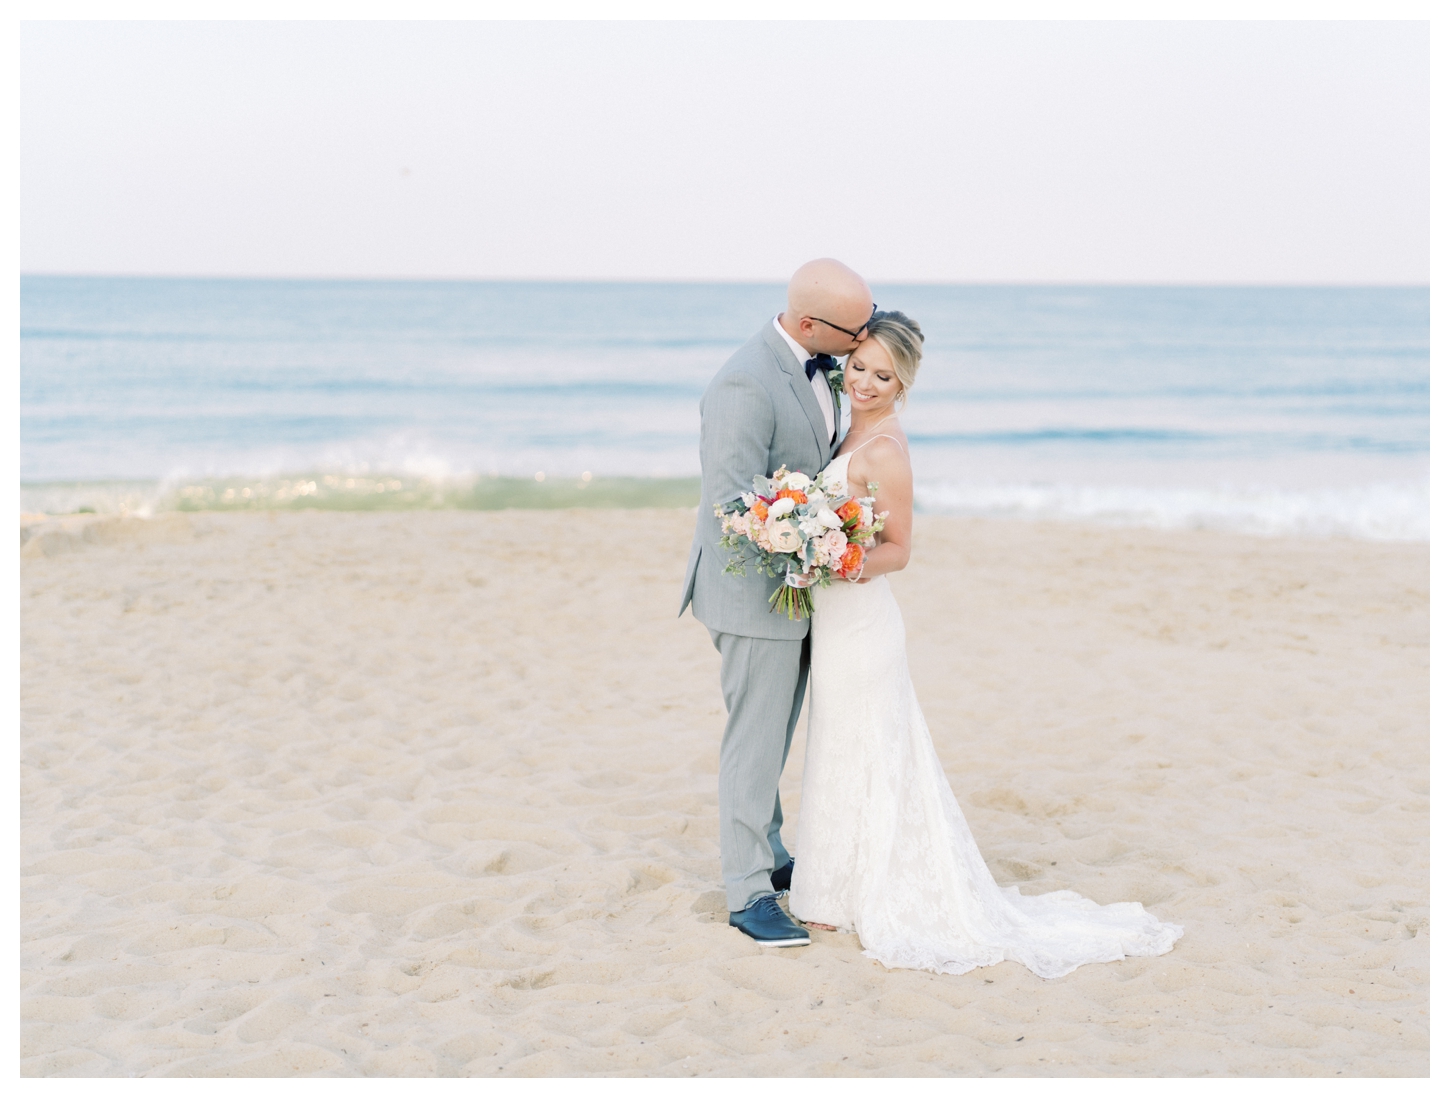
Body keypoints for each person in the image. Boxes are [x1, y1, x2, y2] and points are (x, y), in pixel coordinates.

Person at [789, 310, 1184, 976]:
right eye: (859, 367)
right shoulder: (846, 424)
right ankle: (834, 888)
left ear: (903, 384)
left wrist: (833, 559)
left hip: (861, 624)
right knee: (841, 745)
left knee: (863, 749)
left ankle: (844, 896)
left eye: (883, 375)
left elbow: (899, 550)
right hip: (835, 623)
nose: (865, 382)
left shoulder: (884, 448)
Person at [679, 258, 874, 946]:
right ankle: (746, 892)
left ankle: (773, 852)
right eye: (857, 331)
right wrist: (808, 533)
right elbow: (731, 498)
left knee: (776, 733)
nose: (865, 341)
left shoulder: (820, 369)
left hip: (795, 588)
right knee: (754, 743)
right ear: (812, 324)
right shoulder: (744, 380)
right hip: (749, 593)